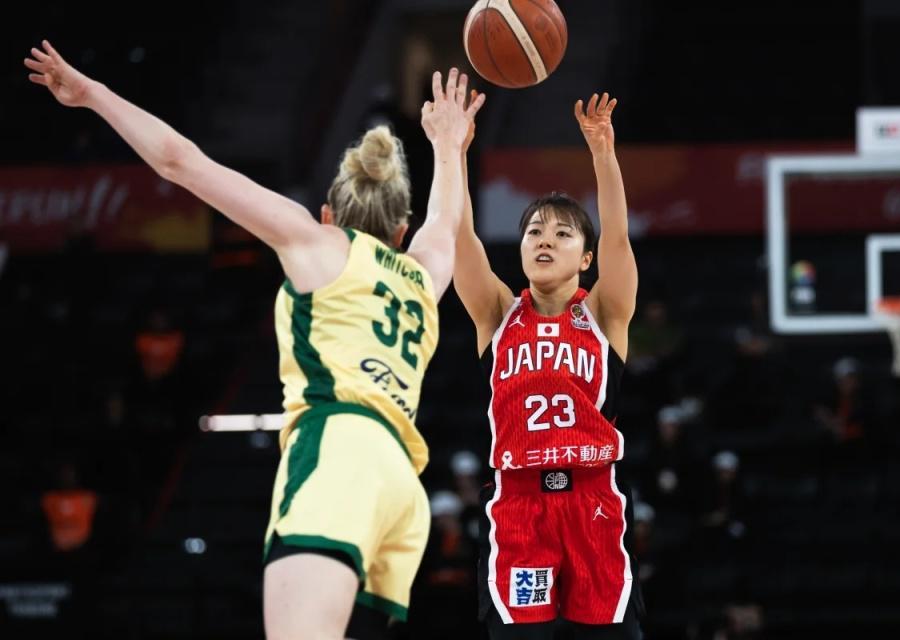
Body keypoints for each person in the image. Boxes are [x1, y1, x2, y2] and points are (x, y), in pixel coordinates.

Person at [26, 40, 484, 640]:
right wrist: (449, 146)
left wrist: (92, 94)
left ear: (328, 214)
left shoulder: (316, 243)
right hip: (400, 481)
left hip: (337, 451)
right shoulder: (423, 274)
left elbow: (180, 161)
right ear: (401, 231)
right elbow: (445, 221)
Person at [453, 92, 643, 638]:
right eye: (534, 231)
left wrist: (603, 153)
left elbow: (619, 238)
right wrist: (455, 153)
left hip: (593, 501)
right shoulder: (497, 313)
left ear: (586, 258)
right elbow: (461, 238)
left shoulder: (604, 313)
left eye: (562, 233)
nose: (545, 240)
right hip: (519, 505)